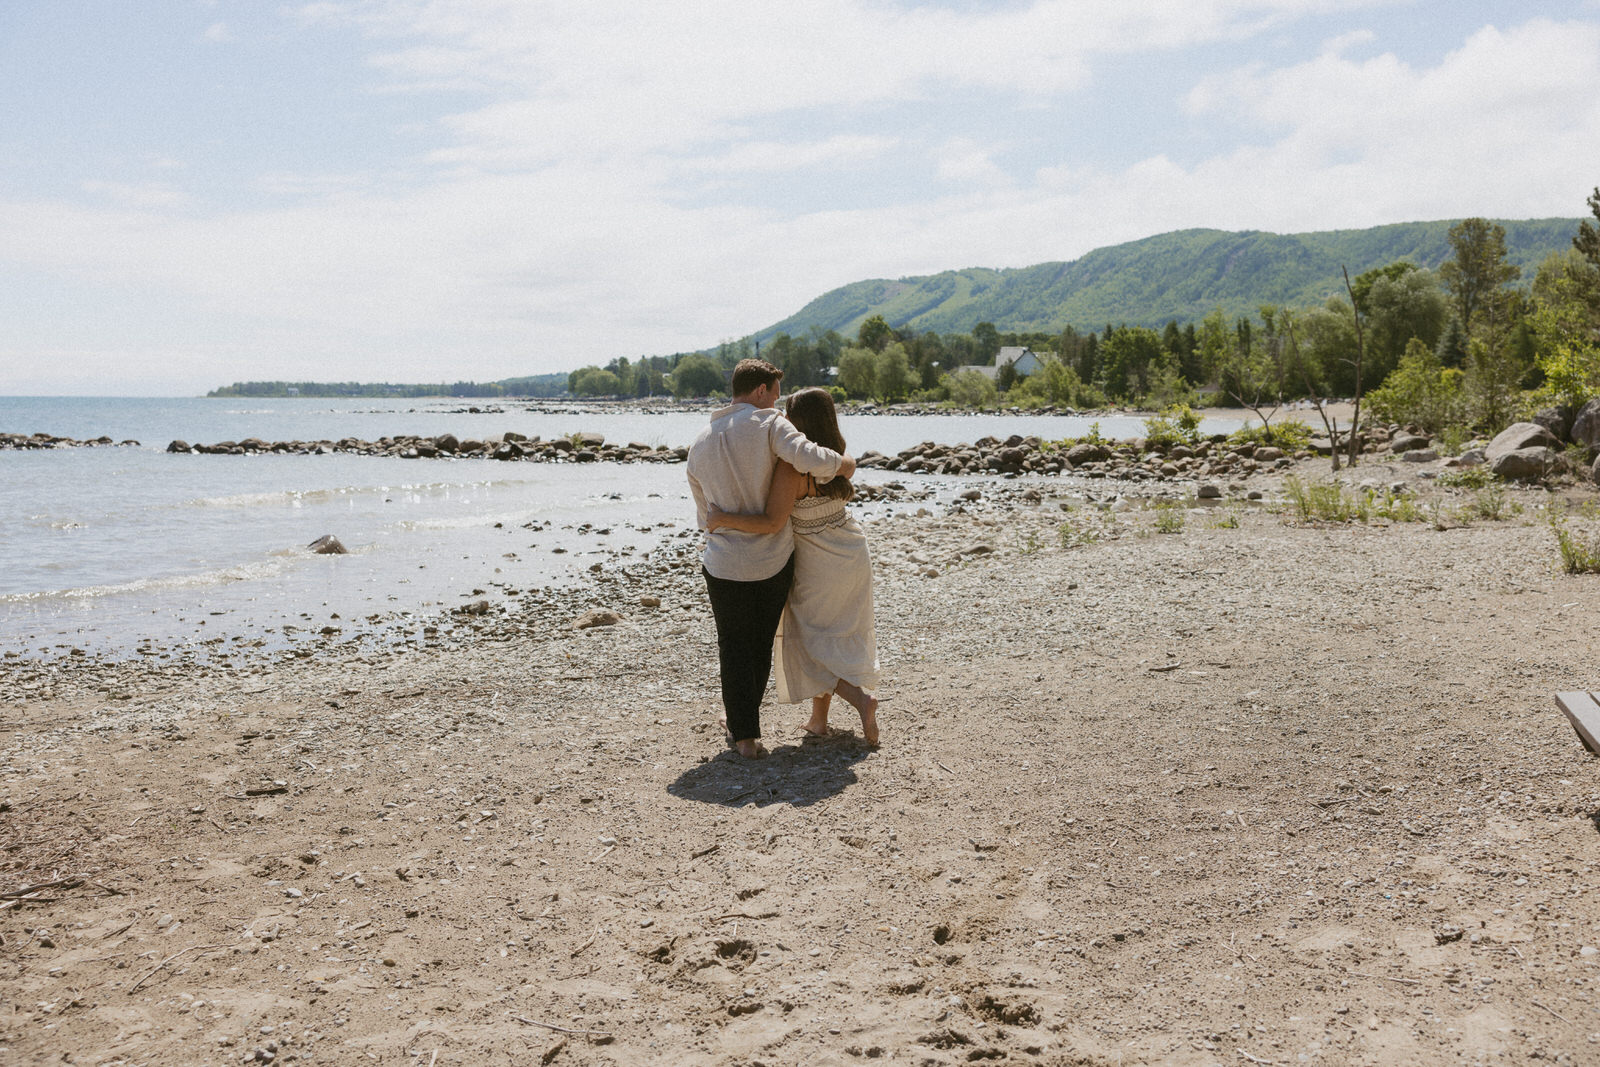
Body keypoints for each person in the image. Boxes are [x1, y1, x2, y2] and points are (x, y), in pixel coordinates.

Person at [686, 360, 855, 760]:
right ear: (761, 390)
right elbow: (809, 456)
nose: (779, 402)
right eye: (777, 392)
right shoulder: (770, 423)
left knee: (732, 646)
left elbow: (703, 516)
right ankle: (746, 731)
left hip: (722, 563)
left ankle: (744, 735)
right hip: (769, 562)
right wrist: (844, 464)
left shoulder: (700, 441)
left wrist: (725, 526)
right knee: (759, 646)